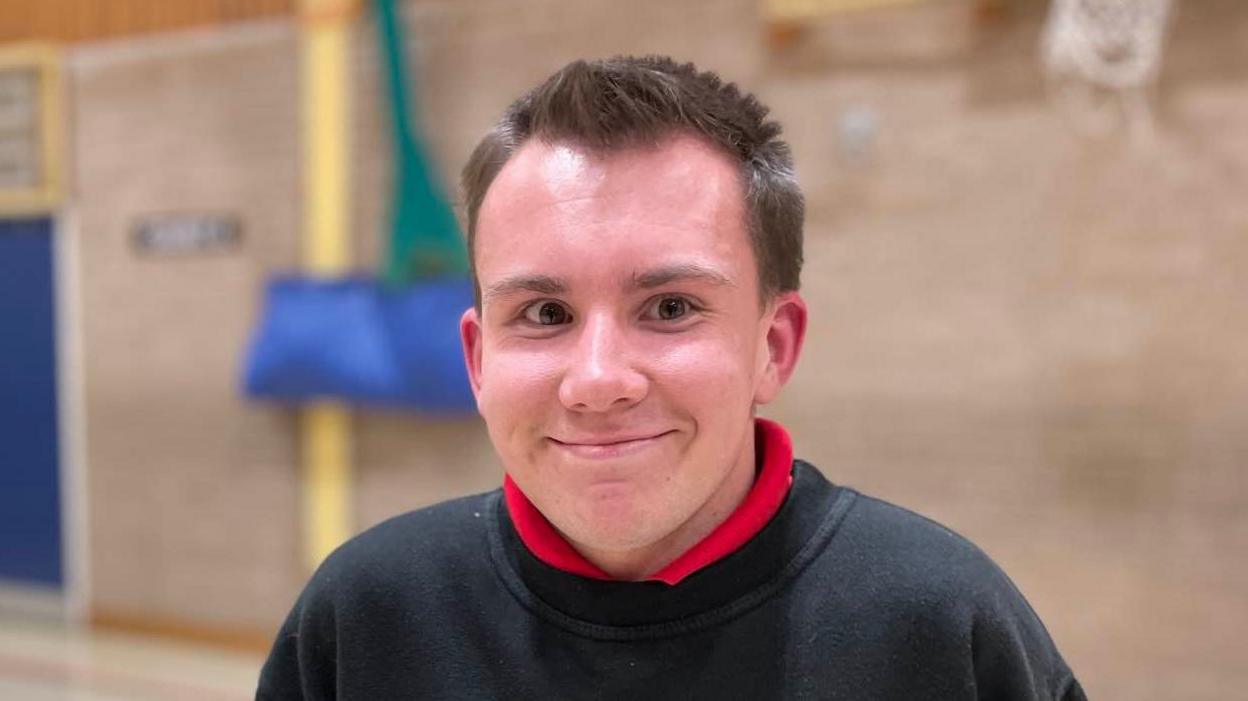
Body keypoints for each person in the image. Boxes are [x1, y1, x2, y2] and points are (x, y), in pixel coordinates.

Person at [257, 56, 1085, 700]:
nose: (598, 380)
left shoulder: (940, 622)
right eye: (545, 314)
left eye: (671, 306)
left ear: (775, 344)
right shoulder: (366, 616)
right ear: (478, 359)